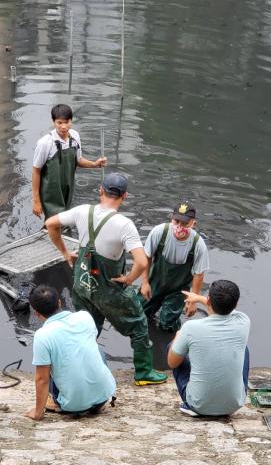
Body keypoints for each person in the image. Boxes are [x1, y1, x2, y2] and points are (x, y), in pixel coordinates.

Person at [45, 172, 167, 385]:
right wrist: (129, 279)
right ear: (125, 196)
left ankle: (78, 368)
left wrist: (65, 253)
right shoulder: (124, 225)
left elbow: (50, 223)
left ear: (100, 190)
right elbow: (142, 262)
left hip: (82, 285)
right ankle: (144, 374)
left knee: (87, 329)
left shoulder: (82, 211)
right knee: (138, 324)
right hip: (109, 291)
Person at [24, 285, 116, 420]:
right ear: (59, 302)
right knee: (96, 349)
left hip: (74, 406)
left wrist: (38, 413)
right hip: (105, 395)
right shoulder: (85, 316)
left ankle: (56, 402)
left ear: (37, 314)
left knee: (47, 367)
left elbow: (42, 379)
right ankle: (96, 399)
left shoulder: (42, 335)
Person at [167, 280, 250, 417]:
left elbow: (172, 363)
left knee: (173, 346)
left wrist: (177, 337)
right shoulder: (244, 321)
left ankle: (189, 404)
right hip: (233, 405)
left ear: (209, 300)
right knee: (243, 348)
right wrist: (200, 299)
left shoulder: (190, 328)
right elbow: (226, 308)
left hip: (198, 405)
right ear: (236, 304)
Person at [140, 201, 210, 333]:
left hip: (179, 289)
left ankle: (174, 341)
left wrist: (192, 301)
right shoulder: (159, 232)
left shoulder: (198, 245)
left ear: (193, 223)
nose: (179, 227)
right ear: (171, 219)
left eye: (184, 224)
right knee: (140, 315)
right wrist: (144, 283)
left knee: (167, 324)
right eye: (176, 221)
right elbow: (146, 257)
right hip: (155, 282)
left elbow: (199, 274)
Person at [32, 103, 107, 219]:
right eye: (59, 123)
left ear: (71, 121)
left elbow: (78, 160)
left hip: (68, 188)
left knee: (63, 220)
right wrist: (36, 200)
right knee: (55, 222)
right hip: (51, 192)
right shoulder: (45, 143)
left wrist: (95, 164)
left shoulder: (75, 136)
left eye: (66, 122)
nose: (63, 126)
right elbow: (36, 171)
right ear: (53, 122)